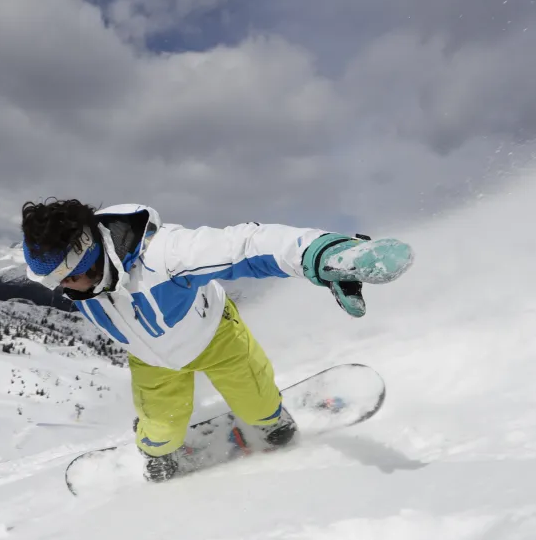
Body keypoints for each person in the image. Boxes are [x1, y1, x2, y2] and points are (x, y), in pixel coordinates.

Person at [20, 198, 413, 482]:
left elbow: (246, 245)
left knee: (256, 404)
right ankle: (157, 450)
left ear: (88, 255)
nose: (61, 289)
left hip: (214, 336)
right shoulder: (81, 283)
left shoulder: (165, 255)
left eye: (66, 277)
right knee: (159, 435)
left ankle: (273, 420)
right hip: (151, 359)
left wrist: (324, 254)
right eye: (49, 282)